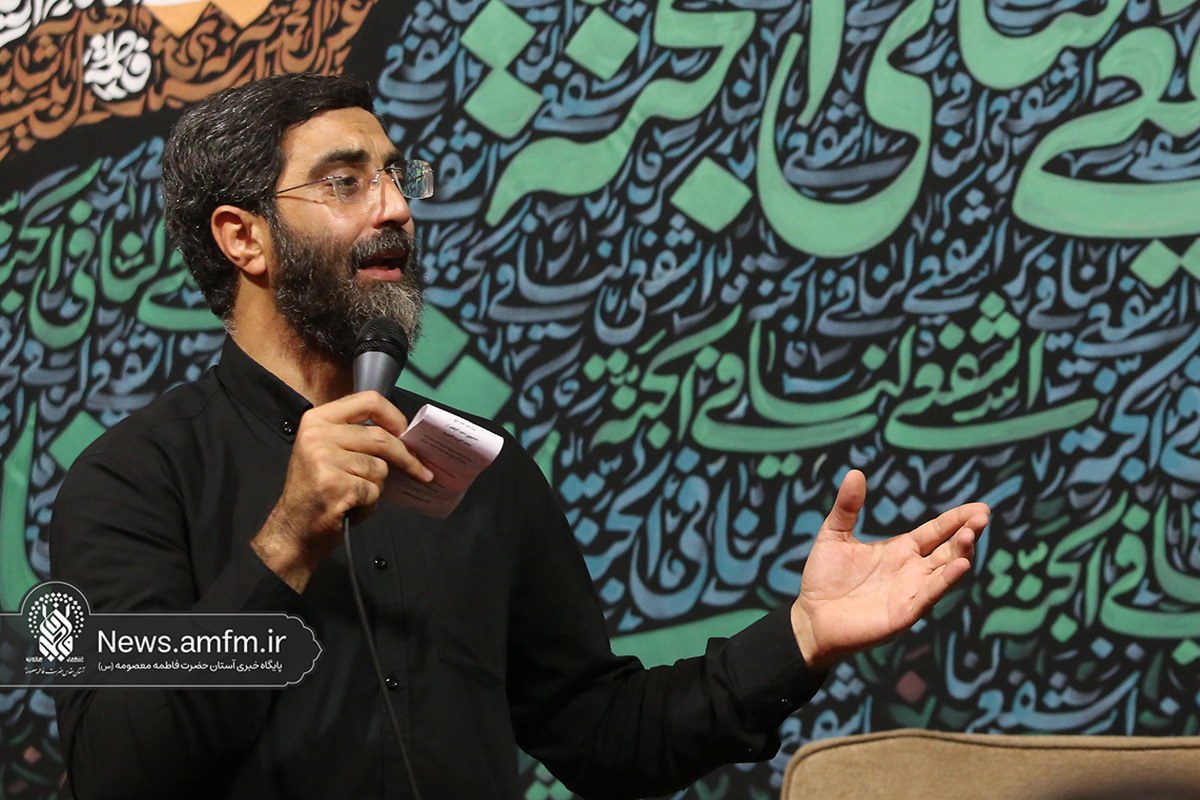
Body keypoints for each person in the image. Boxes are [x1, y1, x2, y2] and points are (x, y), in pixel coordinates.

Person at [48, 72, 989, 800]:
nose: (396, 208)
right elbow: (117, 772)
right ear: (242, 238)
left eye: (395, 176)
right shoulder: (130, 481)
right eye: (345, 183)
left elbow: (606, 736)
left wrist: (803, 637)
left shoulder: (471, 461)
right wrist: (286, 543)